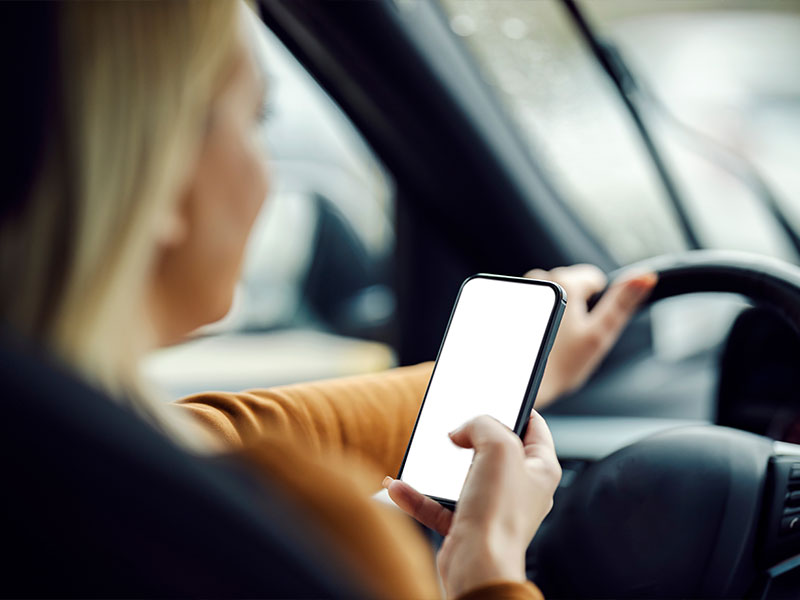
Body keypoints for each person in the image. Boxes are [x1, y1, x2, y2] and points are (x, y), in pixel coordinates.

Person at [0, 1, 656, 598]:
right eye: (256, 118)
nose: (266, 170)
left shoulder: (52, 452)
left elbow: (219, 428)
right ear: (161, 169)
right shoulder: (285, 533)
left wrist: (517, 371)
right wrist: (490, 567)